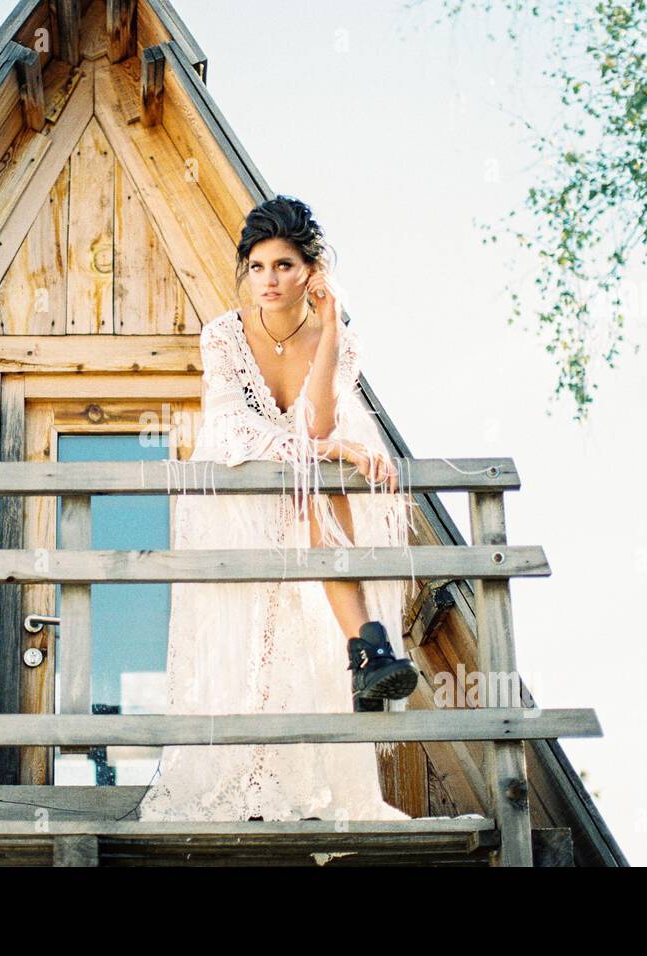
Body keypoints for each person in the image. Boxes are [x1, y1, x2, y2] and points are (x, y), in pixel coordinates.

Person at [135, 196, 421, 823]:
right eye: (258, 266)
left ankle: (360, 659)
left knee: (313, 489)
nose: (269, 280)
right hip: (239, 480)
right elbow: (233, 427)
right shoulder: (224, 335)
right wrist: (323, 449)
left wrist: (332, 326)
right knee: (304, 498)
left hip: (301, 485)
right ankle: (366, 649)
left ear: (309, 271)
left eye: (284, 266)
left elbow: (317, 420)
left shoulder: (332, 338)